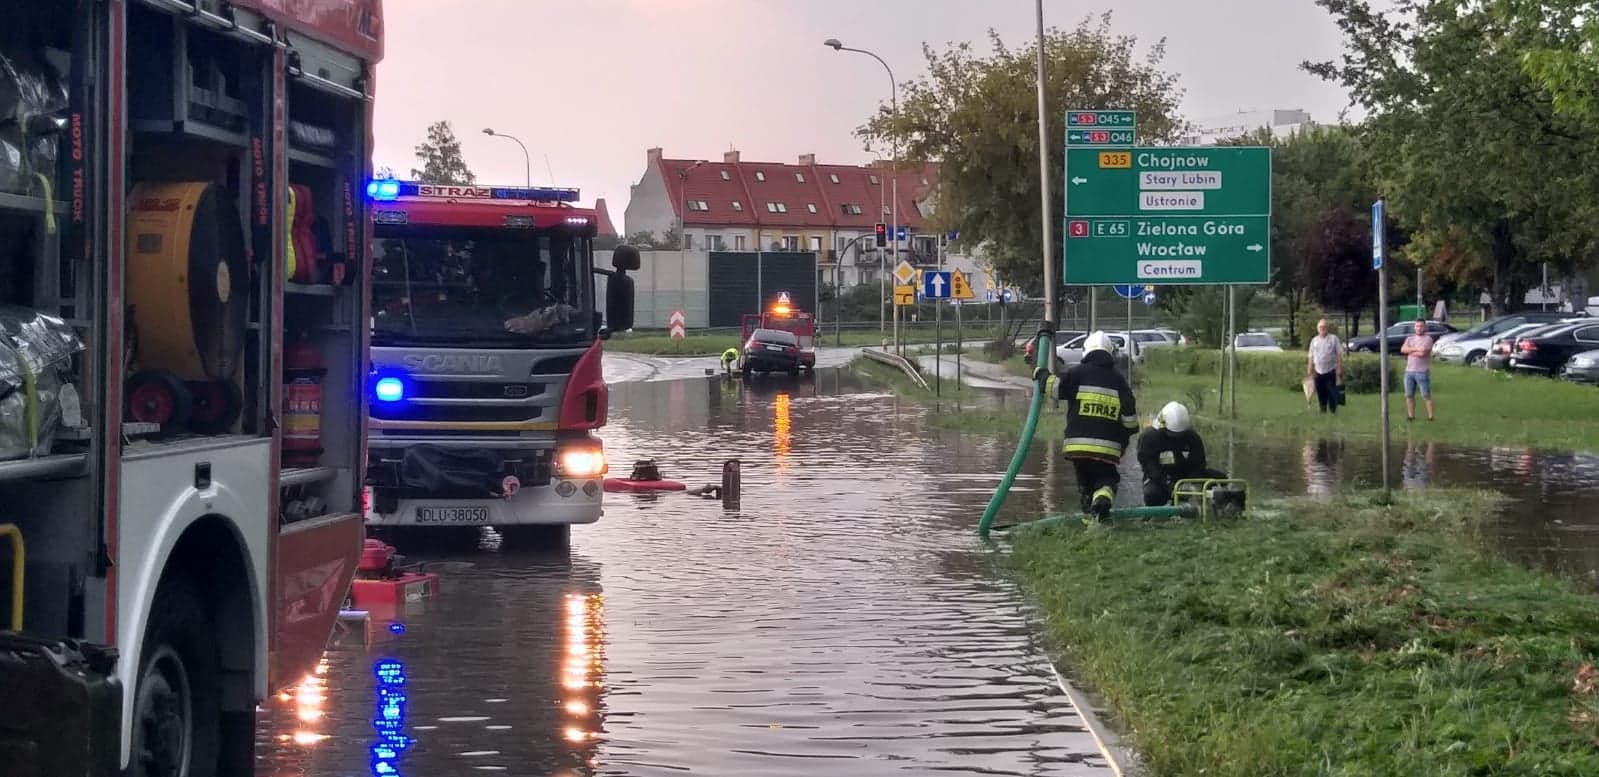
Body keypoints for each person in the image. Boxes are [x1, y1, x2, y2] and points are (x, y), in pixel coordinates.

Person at [1045, 330, 1139, 518]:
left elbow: (1055, 389)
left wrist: (1041, 375)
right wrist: (1124, 437)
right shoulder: (1119, 381)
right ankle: (1102, 501)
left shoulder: (1077, 373)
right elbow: (1130, 422)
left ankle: (1091, 520)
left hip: (1077, 447)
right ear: (1110, 353)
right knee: (1107, 480)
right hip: (1108, 450)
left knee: (1086, 486)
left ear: (1086, 351)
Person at [1137, 401, 1228, 506]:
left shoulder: (1192, 438)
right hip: (1160, 479)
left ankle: (1222, 509)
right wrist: (1170, 484)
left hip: (1186, 476)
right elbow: (1150, 466)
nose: (1177, 438)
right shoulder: (1149, 438)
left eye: (1180, 435)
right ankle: (1154, 516)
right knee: (1152, 493)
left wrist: (1192, 483)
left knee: (1221, 479)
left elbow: (1198, 464)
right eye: (1173, 434)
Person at [1305, 318, 1343, 414]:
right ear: (1317, 329)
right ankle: (1323, 411)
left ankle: (1333, 411)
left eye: (1324, 327)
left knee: (1332, 393)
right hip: (1318, 372)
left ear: (1327, 328)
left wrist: (1339, 369)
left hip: (1331, 371)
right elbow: (1311, 356)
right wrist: (1310, 370)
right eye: (1320, 327)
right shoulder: (1314, 341)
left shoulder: (1333, 339)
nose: (1322, 329)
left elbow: (1339, 354)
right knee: (1321, 393)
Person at [1400, 318, 1435, 421]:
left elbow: (1422, 353)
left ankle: (1431, 416)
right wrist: (1415, 349)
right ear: (1414, 327)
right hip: (1409, 371)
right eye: (1417, 326)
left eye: (1421, 326)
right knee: (1409, 395)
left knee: (1426, 395)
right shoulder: (1409, 338)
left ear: (1425, 327)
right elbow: (1403, 349)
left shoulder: (1428, 339)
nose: (1419, 328)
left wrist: (1409, 351)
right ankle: (1411, 416)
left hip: (1422, 371)